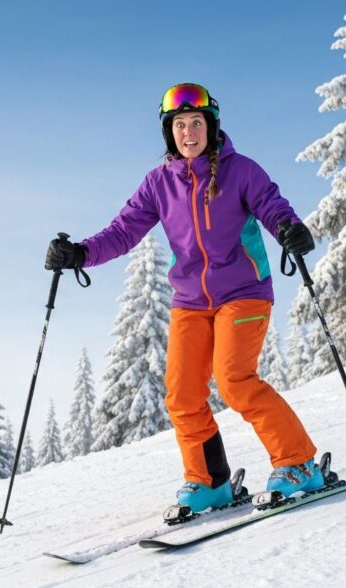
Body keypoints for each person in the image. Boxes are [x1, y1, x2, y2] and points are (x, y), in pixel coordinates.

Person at [45, 82, 323, 512]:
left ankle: (299, 462)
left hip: (244, 292)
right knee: (181, 394)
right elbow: (123, 232)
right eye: (179, 125)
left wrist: (289, 228)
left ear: (211, 127)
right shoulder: (158, 184)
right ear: (168, 133)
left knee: (234, 380)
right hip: (191, 301)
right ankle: (210, 481)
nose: (188, 132)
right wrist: (80, 253)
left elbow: (271, 205)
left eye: (196, 123)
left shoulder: (241, 171)